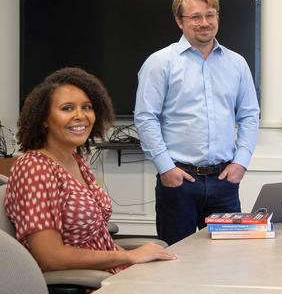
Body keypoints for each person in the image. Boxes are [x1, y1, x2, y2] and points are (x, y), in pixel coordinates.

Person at [5, 67, 176, 275]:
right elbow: (50, 257)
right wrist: (129, 256)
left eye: (87, 107)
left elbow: (99, 240)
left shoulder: (75, 160)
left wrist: (135, 260)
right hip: (87, 282)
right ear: (44, 120)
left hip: (110, 274)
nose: (80, 116)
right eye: (67, 108)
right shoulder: (34, 169)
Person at [134, 0, 260, 245]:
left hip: (224, 181)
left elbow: (249, 116)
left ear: (217, 17)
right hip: (178, 181)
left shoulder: (237, 64)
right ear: (180, 22)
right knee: (176, 261)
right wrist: (166, 168)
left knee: (228, 260)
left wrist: (241, 162)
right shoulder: (160, 63)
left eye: (210, 15)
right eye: (195, 17)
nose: (204, 23)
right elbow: (146, 118)